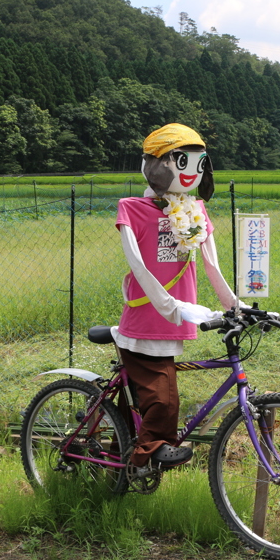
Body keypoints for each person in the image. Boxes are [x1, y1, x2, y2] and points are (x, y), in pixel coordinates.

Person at [113, 123, 240, 470]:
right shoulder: (132, 208)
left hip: (176, 321)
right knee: (164, 399)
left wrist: (235, 307)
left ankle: (119, 464)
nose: (191, 173)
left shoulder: (195, 211)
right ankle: (148, 456)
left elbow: (212, 265)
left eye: (199, 165)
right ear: (156, 164)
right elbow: (138, 266)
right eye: (181, 162)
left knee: (145, 403)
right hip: (146, 323)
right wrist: (173, 307)